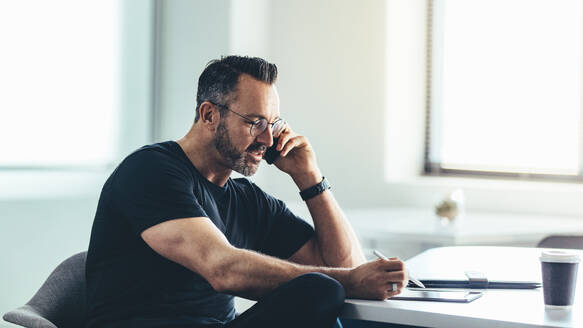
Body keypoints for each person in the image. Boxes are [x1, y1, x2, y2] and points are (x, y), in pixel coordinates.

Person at [85, 56, 408, 328]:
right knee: (321, 289)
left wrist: (310, 178)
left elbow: (346, 266)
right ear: (209, 115)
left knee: (321, 290)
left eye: (273, 124)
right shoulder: (150, 170)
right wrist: (349, 281)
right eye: (255, 122)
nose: (268, 140)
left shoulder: (247, 199)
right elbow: (222, 268)